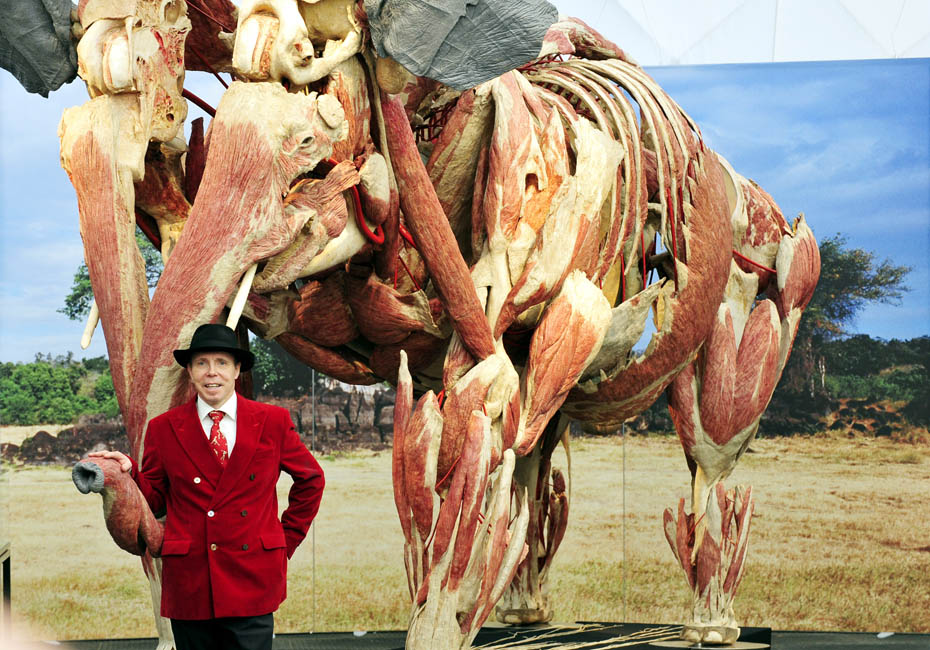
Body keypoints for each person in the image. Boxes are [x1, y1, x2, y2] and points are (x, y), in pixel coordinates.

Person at [90, 323, 324, 650]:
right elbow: (155, 500)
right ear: (189, 371)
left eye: (221, 363)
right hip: (191, 579)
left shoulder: (272, 421)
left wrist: (285, 540)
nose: (212, 372)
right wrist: (130, 473)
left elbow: (311, 479)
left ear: (237, 370)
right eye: (202, 363)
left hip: (252, 574)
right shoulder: (164, 428)